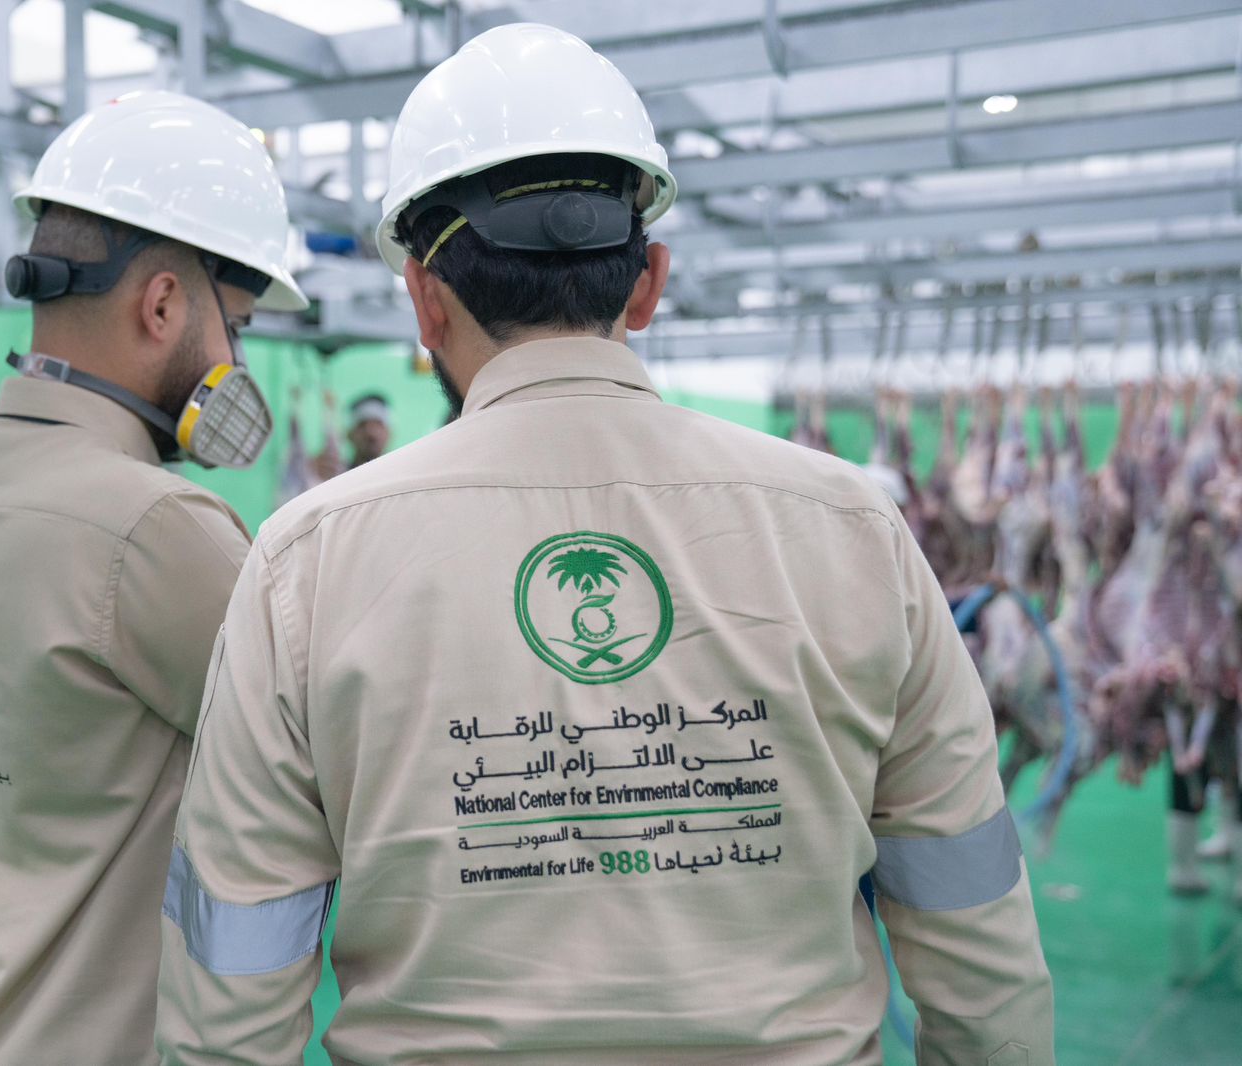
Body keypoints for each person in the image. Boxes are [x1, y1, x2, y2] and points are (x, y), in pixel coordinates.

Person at [156, 24, 1053, 1066]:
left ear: (424, 301)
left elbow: (233, 986)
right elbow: (976, 940)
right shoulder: (854, 530)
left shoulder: (306, 562)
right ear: (648, 282)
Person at [0, 90, 303, 1066]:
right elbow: (329, 759)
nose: (235, 360)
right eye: (236, 325)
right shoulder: (154, 525)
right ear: (163, 304)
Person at [346, 392, 393, 467]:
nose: (371, 433)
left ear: (389, 432)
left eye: (378, 424)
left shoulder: (404, 471)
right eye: (362, 425)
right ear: (349, 435)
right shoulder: (335, 473)